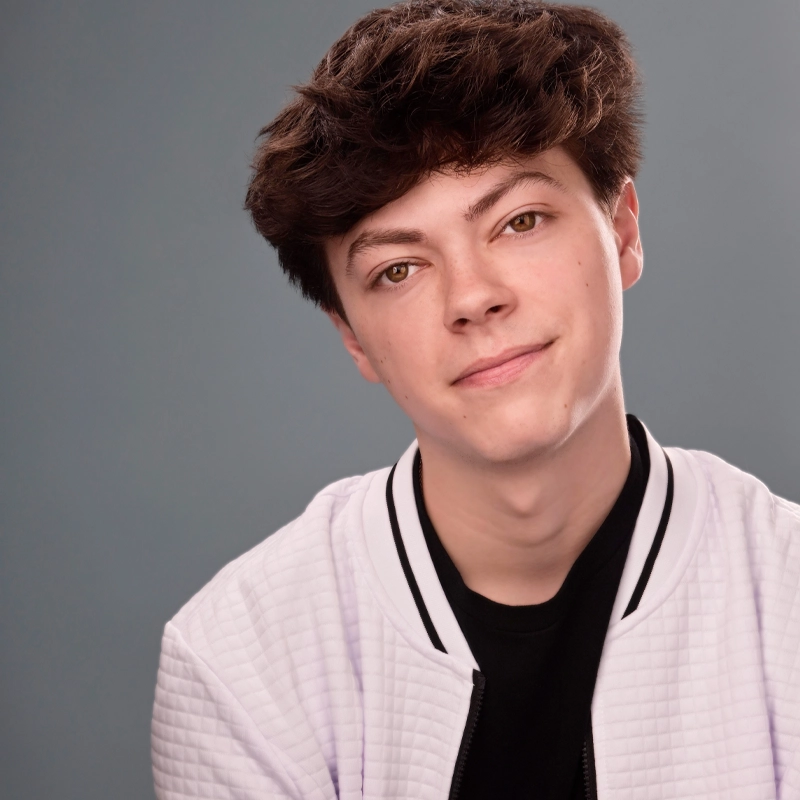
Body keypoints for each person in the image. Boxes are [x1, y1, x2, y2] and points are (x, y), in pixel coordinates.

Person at [151, 1, 800, 797]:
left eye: (520, 221)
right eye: (399, 269)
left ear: (623, 231)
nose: (473, 298)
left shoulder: (786, 595)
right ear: (353, 336)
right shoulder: (239, 660)